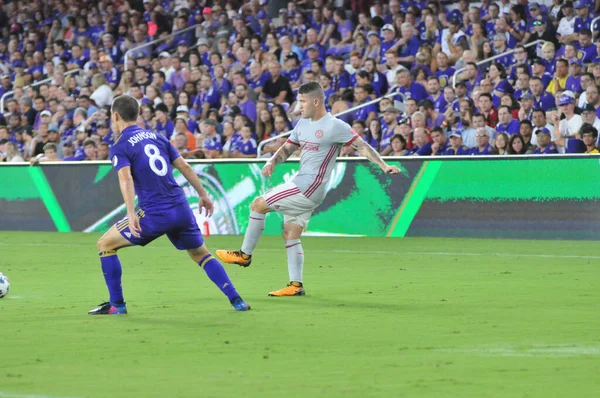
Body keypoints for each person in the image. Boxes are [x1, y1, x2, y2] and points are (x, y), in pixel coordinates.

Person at [215, 82, 400, 296]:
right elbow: (288, 147)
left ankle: (244, 255)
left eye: (302, 102)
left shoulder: (335, 125)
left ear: (315, 101)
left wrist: (384, 165)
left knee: (258, 205)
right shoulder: (302, 123)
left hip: (308, 186)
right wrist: (272, 162)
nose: (299, 106)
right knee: (290, 234)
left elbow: (362, 146)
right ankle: (296, 285)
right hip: (306, 186)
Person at [89, 95, 250, 315]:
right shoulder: (158, 137)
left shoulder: (120, 145)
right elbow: (184, 166)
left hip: (155, 213)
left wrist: (130, 212)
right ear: (137, 114)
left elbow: (125, 180)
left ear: (115, 116)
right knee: (200, 254)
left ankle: (117, 305)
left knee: (105, 245)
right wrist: (203, 194)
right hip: (181, 207)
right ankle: (237, 299)